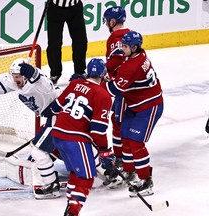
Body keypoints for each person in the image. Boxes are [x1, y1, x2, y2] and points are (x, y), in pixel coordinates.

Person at [0, 58, 63, 199]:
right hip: (52, 117)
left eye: (18, 76)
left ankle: (51, 186)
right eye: (14, 76)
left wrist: (34, 74)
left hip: (61, 115)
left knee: (39, 151)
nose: (15, 80)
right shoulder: (16, 81)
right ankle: (74, 162)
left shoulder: (39, 81)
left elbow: (46, 85)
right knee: (37, 156)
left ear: (26, 76)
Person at [51, 58, 114, 216]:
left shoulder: (73, 84)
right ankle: (73, 212)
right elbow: (98, 130)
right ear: (103, 75)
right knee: (86, 178)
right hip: (75, 140)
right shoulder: (103, 95)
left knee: (76, 173)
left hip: (57, 135)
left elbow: (55, 108)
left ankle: (69, 208)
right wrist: (105, 151)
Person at [105, 31, 164, 197]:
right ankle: (129, 171)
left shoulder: (132, 67)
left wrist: (99, 79)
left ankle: (146, 180)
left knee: (136, 143)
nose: (121, 49)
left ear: (134, 47)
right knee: (124, 136)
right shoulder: (138, 54)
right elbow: (120, 62)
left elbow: (113, 89)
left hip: (149, 106)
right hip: (135, 104)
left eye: (125, 46)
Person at [102, 6, 130, 185]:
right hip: (127, 87)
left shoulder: (115, 38)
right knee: (119, 121)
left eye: (107, 22)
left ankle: (122, 160)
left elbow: (117, 60)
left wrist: (104, 72)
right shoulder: (130, 34)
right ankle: (123, 157)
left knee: (119, 123)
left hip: (124, 89)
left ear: (112, 22)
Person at [47, 0, 87, 85]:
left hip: (75, 8)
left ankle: (80, 71)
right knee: (54, 44)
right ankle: (55, 73)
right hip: (56, 8)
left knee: (80, 41)